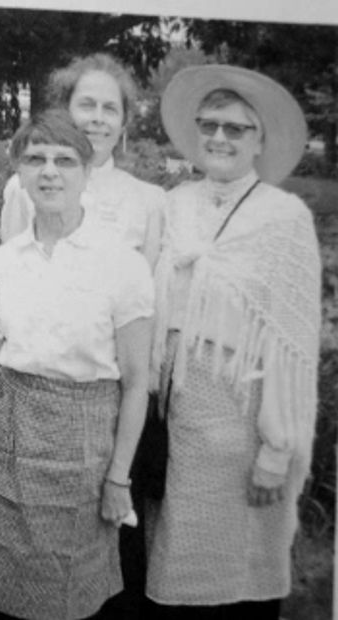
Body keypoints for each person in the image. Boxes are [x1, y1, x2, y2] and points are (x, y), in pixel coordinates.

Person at [0, 110, 154, 620]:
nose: (49, 172)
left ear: (86, 173)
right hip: (2, 443)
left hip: (79, 454)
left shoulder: (122, 264)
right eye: (35, 159)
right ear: (18, 172)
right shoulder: (2, 262)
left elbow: (135, 385)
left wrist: (118, 479)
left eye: (64, 160)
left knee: (67, 595)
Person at [145, 65, 319, 620]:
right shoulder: (174, 205)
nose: (219, 137)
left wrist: (277, 448)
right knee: (170, 557)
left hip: (241, 420)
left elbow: (293, 342)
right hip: (175, 412)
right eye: (209, 124)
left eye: (236, 129)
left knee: (235, 570)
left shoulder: (284, 218)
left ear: (260, 140)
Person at [0, 54, 165, 267]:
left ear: (123, 124)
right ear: (65, 112)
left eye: (110, 109)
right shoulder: (24, 189)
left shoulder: (149, 202)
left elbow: (147, 291)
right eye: (87, 105)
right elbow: (11, 275)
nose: (98, 118)